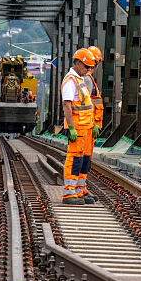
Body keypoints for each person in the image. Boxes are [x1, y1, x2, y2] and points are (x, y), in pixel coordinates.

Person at [61, 49, 100, 205]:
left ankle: (79, 189)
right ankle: (69, 193)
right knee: (74, 159)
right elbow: (67, 105)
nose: (88, 70)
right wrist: (71, 127)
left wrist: (93, 124)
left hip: (85, 127)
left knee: (84, 160)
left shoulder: (80, 78)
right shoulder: (71, 80)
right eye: (86, 67)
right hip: (77, 128)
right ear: (77, 63)